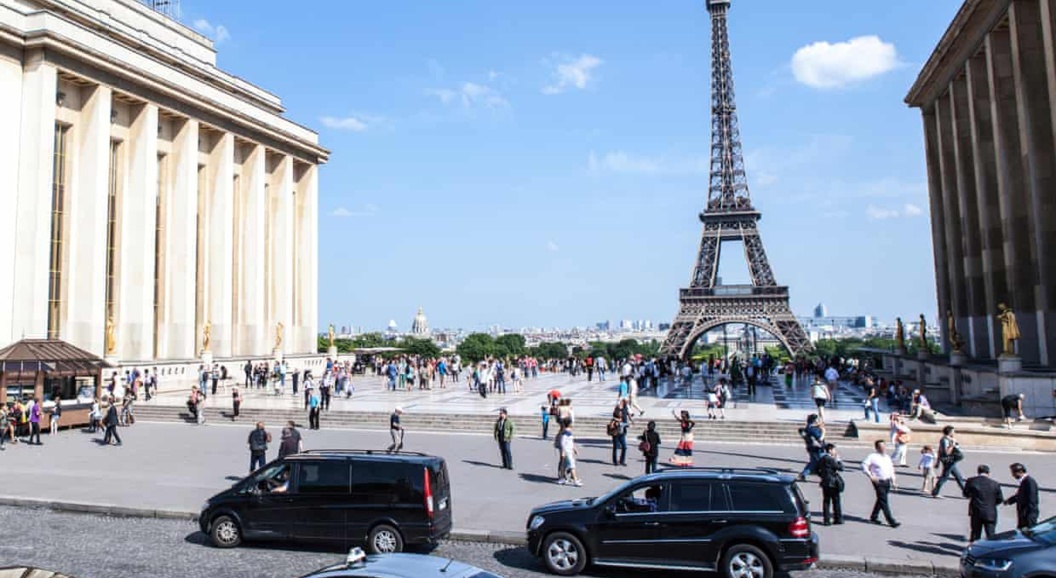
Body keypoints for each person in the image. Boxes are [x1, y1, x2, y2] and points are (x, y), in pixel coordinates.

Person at [861, 440, 900, 528]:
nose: (883, 448)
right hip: (878, 481)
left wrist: (894, 481)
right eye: (880, 447)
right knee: (884, 500)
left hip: (887, 481)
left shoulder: (887, 457)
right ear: (877, 448)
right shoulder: (872, 456)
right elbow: (863, 465)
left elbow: (891, 470)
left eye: (884, 446)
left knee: (880, 499)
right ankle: (891, 520)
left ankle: (873, 517)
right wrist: (870, 476)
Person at [964, 464, 1004, 543]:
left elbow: (966, 494)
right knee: (991, 534)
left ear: (978, 472)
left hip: (976, 511)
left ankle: (974, 550)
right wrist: (991, 504)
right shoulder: (995, 484)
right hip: (990, 512)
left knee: (975, 533)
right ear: (988, 473)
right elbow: (1000, 499)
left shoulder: (971, 481)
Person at [933, 425, 966, 498]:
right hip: (948, 460)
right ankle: (935, 492)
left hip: (951, 461)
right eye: (953, 431)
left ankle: (966, 493)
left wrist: (938, 462)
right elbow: (945, 452)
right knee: (944, 477)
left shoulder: (949, 439)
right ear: (950, 432)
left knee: (958, 477)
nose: (954, 432)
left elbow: (939, 451)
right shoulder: (945, 440)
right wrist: (952, 445)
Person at [1004, 463, 1040, 529]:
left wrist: (1030, 518)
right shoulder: (1024, 481)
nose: (1012, 475)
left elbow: (1032, 500)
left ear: (1020, 472)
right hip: (1023, 516)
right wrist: (1009, 501)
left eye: (1013, 473)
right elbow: (1020, 495)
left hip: (1027, 516)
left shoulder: (1029, 482)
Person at [816, 443, 844, 525]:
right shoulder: (831, 459)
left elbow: (816, 469)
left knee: (826, 501)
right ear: (830, 450)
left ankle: (826, 519)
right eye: (834, 450)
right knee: (836, 501)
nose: (835, 451)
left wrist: (823, 476)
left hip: (825, 482)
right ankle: (838, 518)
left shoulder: (822, 459)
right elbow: (841, 468)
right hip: (833, 482)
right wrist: (838, 460)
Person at [798, 415, 825, 480]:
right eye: (817, 419)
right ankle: (825, 477)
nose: (819, 421)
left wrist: (818, 427)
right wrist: (823, 431)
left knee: (813, 463)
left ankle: (803, 474)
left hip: (811, 448)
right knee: (824, 462)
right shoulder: (813, 429)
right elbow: (820, 439)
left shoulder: (809, 427)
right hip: (817, 449)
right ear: (814, 420)